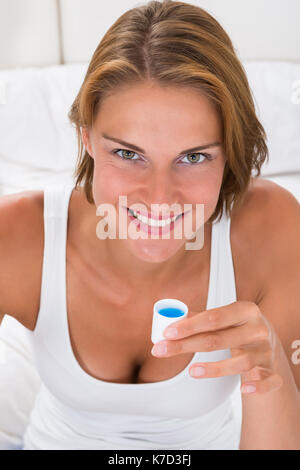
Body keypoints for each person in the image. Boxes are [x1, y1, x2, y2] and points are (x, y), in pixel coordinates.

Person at [0, 0, 300, 450]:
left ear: (229, 153)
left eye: (194, 157)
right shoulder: (19, 235)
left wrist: (270, 376)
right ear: (87, 139)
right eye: (128, 153)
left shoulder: (270, 228)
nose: (160, 198)